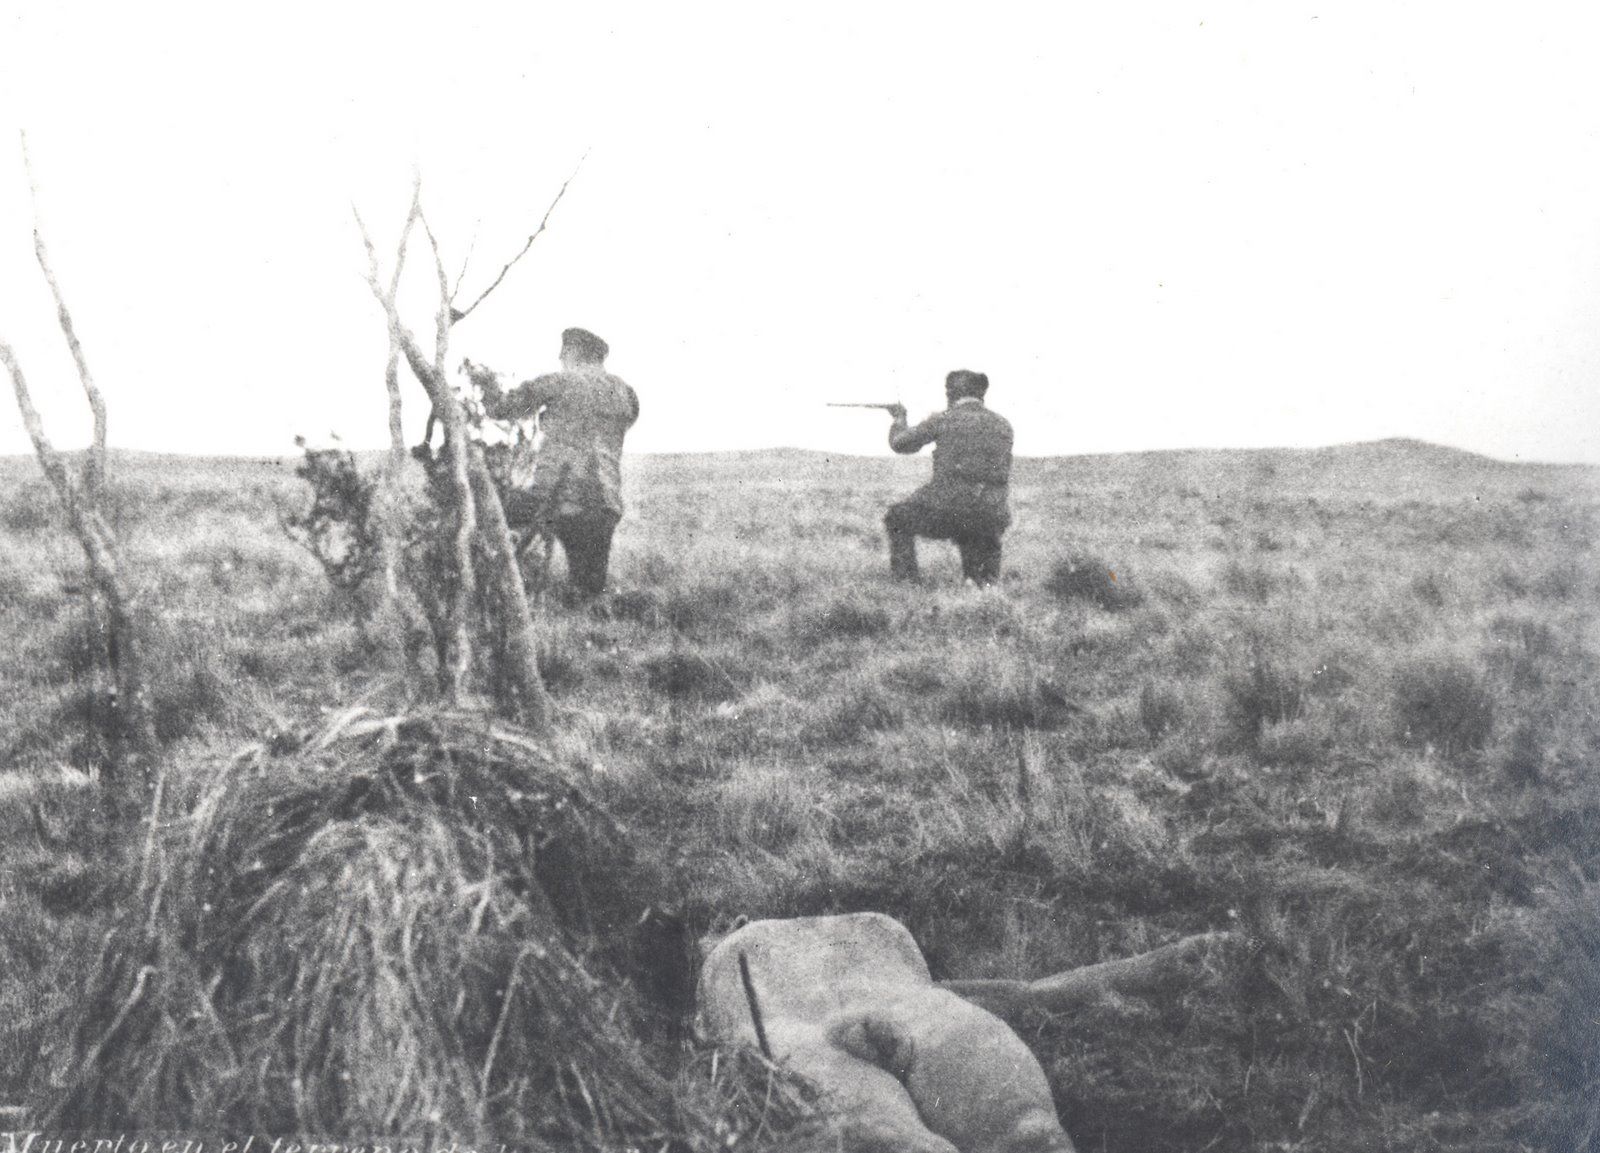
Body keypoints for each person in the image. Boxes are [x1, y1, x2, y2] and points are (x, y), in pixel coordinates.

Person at [478, 327, 639, 597]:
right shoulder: (626, 393)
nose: (560, 359)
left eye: (563, 353)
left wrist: (485, 384)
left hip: (556, 497)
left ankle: (493, 587)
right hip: (605, 506)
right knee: (588, 592)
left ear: (573, 353)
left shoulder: (559, 382)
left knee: (487, 512)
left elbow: (502, 408)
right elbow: (625, 422)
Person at [883, 369, 1013, 586]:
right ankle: (982, 583)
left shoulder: (943, 419)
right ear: (982, 393)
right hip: (993, 513)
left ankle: (907, 583)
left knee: (897, 517)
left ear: (951, 393)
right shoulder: (1003, 425)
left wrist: (899, 418)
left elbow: (901, 444)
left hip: (952, 511)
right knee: (983, 577)